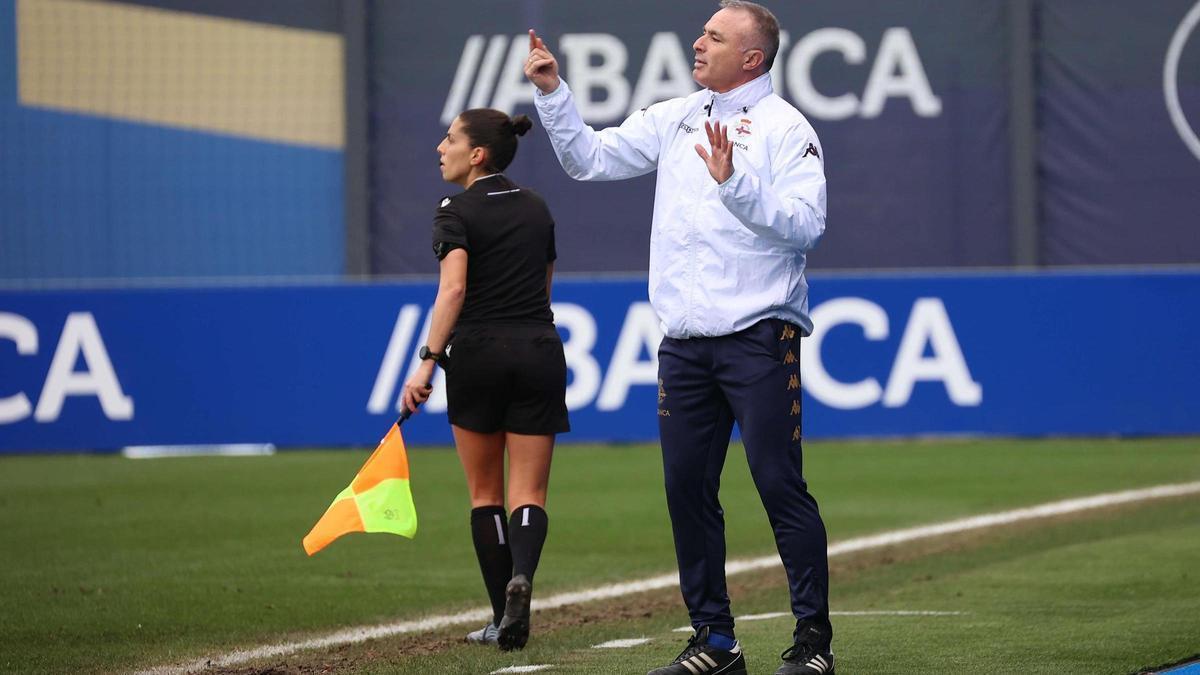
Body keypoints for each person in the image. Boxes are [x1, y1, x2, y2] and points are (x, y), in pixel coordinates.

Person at [525, 2, 834, 674]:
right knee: (685, 489)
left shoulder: (787, 129)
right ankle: (715, 641)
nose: (698, 42)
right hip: (685, 344)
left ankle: (813, 645)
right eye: (702, 31)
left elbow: (807, 225)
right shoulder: (678, 115)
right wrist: (552, 93)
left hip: (759, 335)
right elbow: (590, 159)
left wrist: (737, 185)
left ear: (752, 58)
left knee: (779, 483)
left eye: (715, 36)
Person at [402, 108, 569, 652]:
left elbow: (452, 291)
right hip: (538, 349)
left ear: (477, 155)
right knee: (531, 492)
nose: (439, 147)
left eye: (449, 138)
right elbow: (543, 290)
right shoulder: (537, 207)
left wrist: (427, 360)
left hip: (477, 353)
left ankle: (503, 614)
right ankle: (523, 576)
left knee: (485, 494)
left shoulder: (455, 207)